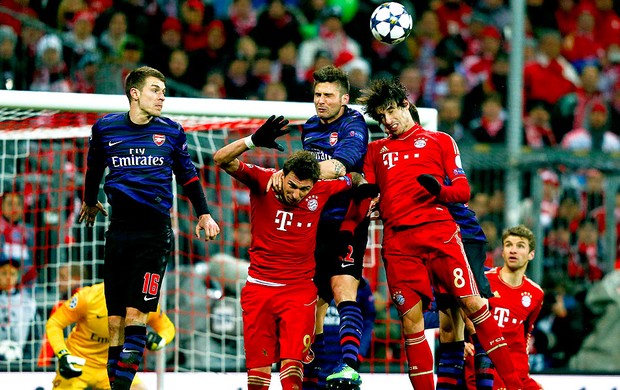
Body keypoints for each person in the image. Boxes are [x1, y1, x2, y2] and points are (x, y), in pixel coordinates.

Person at [353, 78, 523, 389]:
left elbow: (463, 190)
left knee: (474, 307)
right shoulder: (376, 150)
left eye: (391, 111)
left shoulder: (440, 140)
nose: (387, 121)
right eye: (381, 117)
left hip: (439, 234)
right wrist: (367, 199)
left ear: (407, 105)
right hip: (397, 242)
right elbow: (370, 191)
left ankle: (514, 385)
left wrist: (440, 191)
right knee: (411, 323)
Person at [78, 66, 220, 390]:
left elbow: (188, 175)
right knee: (114, 324)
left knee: (135, 318)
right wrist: (88, 199)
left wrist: (204, 214)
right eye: (156, 90)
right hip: (118, 231)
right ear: (135, 93)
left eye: (164, 91)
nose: (162, 97)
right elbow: (93, 168)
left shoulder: (171, 131)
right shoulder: (105, 129)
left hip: (154, 235)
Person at [212, 114, 365, 390]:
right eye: (292, 186)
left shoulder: (321, 189)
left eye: (304, 190)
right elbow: (221, 159)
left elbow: (353, 178)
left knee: (293, 374)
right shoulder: (263, 180)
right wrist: (252, 141)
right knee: (257, 379)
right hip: (259, 290)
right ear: (283, 174)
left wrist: (364, 186)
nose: (297, 194)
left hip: (298, 294)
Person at [268, 64, 370, 388]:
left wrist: (295, 172)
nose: (321, 100)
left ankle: (349, 367)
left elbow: (342, 165)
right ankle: (315, 378)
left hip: (346, 220)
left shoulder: (354, 124)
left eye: (328, 95)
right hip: (313, 222)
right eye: (317, 94)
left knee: (343, 288)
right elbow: (322, 173)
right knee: (313, 303)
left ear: (344, 97)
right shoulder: (310, 127)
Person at [47, 282, 175, 390]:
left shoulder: (143, 302)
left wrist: (160, 340)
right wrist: (63, 354)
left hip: (116, 367)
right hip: (79, 365)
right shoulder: (89, 297)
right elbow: (54, 323)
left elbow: (167, 328)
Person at [482, 225, 545, 389]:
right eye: (508, 245)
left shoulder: (536, 294)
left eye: (520, 246)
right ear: (502, 252)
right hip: (486, 366)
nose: (513, 250)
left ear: (531, 254)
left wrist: (524, 372)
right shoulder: (483, 281)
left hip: (516, 370)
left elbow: (526, 333)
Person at [303, 277, 376, 389]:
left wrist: (358, 355)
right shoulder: (307, 277)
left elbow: (368, 320)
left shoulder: (356, 280)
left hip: (342, 362)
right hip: (312, 359)